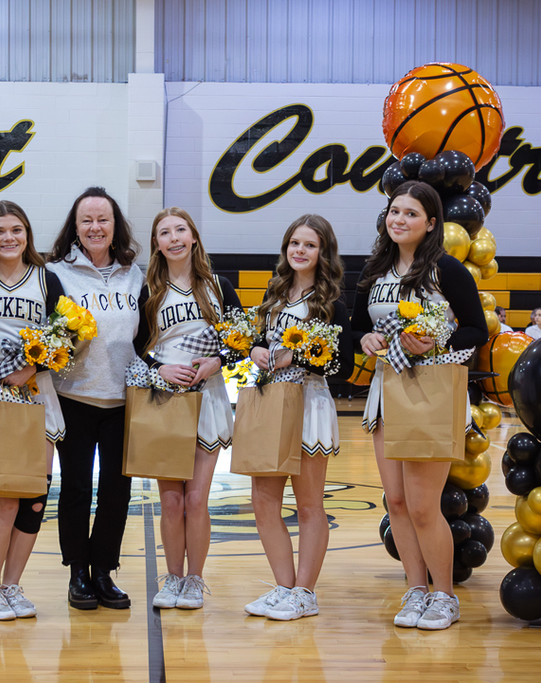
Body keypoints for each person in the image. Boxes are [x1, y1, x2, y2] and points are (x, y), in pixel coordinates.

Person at [351, 181, 488, 631]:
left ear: (431, 223)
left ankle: (444, 596)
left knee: (425, 506)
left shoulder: (447, 270)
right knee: (396, 502)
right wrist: (366, 339)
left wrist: (437, 338)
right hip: (385, 394)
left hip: (430, 393)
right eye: (394, 211)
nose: (399, 220)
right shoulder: (374, 272)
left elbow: (475, 331)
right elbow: (355, 330)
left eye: (410, 214)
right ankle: (415, 590)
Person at [243, 215, 353, 621]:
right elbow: (258, 341)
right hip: (270, 400)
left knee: (308, 505)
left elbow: (341, 365)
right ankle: (284, 586)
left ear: (323, 252)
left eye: (309, 244)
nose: (299, 251)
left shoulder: (332, 302)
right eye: (294, 243)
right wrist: (255, 350)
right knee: (264, 501)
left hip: (309, 403)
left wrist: (299, 356)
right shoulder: (273, 295)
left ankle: (306, 592)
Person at [133, 207, 240, 611]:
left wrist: (218, 362)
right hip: (164, 399)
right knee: (171, 501)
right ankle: (173, 577)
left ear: (193, 237)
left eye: (181, 229)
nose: (174, 237)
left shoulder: (218, 286)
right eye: (165, 232)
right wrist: (160, 366)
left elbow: (239, 339)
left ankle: (195, 580)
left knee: (196, 499)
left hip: (207, 397)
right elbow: (137, 346)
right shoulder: (149, 291)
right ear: (157, 244)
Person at [0, 200, 66, 621]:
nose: (9, 238)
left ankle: (13, 586)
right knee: (5, 502)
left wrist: (34, 365)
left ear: (27, 233)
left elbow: (69, 336)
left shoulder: (47, 280)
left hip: (39, 397)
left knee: (35, 501)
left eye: (16, 230)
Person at [46, 187, 144, 610]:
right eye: (86, 220)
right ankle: (77, 573)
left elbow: (147, 337)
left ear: (115, 225)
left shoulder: (136, 274)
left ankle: (104, 570)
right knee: (76, 489)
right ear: (75, 226)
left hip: (124, 400)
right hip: (74, 396)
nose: (95, 227)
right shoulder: (55, 274)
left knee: (117, 492)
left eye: (103, 219)